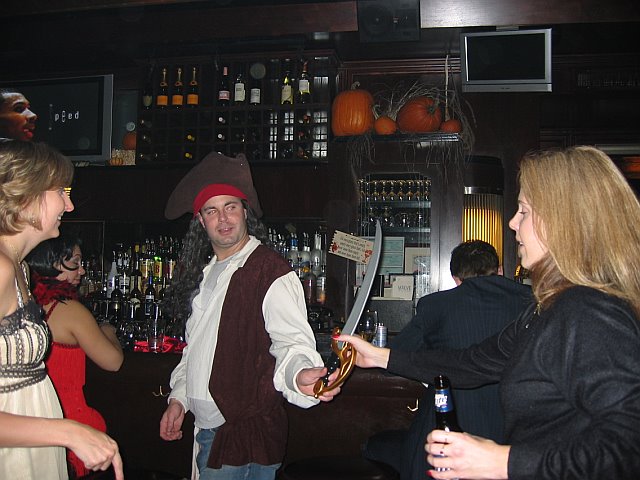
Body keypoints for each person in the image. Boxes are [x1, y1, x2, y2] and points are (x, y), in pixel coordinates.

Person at [338, 146, 640, 479]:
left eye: (524, 211)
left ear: (564, 222)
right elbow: (470, 363)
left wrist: (501, 462)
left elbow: (629, 449)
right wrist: (379, 356)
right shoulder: (548, 309)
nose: (512, 223)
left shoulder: (588, 312)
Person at [159, 152, 340, 480]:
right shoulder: (208, 273)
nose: (223, 218)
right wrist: (179, 399)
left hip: (243, 441)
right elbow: (197, 350)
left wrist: (299, 374)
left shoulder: (268, 271)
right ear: (201, 220)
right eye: (212, 210)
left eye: (230, 207)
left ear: (245, 211)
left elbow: (291, 343)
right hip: (210, 434)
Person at [0, 141, 123, 480]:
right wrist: (68, 431)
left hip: (36, 440)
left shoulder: (20, 269)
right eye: (60, 192)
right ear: (26, 195)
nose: (69, 206)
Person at [363, 240, 531, 480]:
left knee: (389, 447)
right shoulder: (532, 301)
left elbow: (396, 359)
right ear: (500, 270)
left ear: (455, 278)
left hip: (447, 432)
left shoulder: (435, 305)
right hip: (513, 439)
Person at [26, 234, 124, 478]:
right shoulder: (68, 309)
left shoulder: (25, 302)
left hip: (36, 422)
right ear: (54, 263)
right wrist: (109, 331)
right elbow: (113, 361)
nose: (82, 271)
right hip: (71, 423)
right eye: (76, 263)